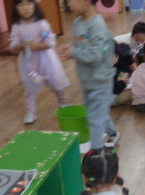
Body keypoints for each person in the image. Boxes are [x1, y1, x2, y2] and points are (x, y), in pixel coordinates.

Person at [58, 0, 119, 150]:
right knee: (98, 112)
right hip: (87, 79)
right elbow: (82, 46)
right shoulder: (78, 22)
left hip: (101, 81)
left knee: (95, 120)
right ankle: (113, 132)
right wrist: (72, 50)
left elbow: (96, 55)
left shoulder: (97, 26)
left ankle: (96, 154)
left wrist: (74, 52)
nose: (68, 4)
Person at [10, 0, 70, 125]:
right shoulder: (17, 26)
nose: (25, 8)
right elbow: (13, 46)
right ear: (16, 8)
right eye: (21, 5)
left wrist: (38, 45)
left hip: (46, 60)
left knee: (55, 83)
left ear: (35, 5)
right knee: (30, 87)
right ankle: (31, 112)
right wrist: (22, 45)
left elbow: (50, 41)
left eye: (28, 4)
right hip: (28, 62)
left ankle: (64, 103)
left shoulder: (42, 23)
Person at [111, 41, 133, 107]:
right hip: (110, 99)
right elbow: (116, 89)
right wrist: (123, 82)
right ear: (116, 56)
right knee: (135, 91)